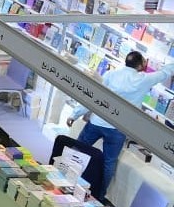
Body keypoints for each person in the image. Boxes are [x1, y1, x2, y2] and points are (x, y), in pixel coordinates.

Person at [68, 52, 174, 199]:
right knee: (109, 163)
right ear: (140, 65)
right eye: (145, 61)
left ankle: (67, 177)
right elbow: (164, 72)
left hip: (98, 120)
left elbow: (94, 95)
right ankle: (99, 196)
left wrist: (75, 114)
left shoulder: (111, 75)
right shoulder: (144, 79)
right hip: (118, 128)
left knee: (79, 149)